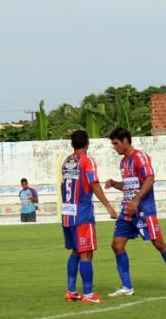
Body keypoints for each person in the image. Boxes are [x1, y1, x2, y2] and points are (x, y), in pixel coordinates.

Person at [105, 127, 166, 298]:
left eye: (116, 143)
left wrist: (137, 200)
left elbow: (150, 178)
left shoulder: (140, 157)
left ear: (125, 140)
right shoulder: (123, 162)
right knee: (116, 245)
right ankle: (127, 286)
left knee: (159, 244)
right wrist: (114, 184)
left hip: (143, 211)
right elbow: (129, 186)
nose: (114, 147)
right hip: (127, 211)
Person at [61, 130, 118, 304]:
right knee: (86, 253)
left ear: (72, 144)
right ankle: (88, 294)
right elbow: (93, 183)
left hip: (67, 213)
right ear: (88, 143)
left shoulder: (66, 161)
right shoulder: (87, 161)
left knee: (76, 252)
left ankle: (71, 291)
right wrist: (109, 206)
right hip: (82, 214)